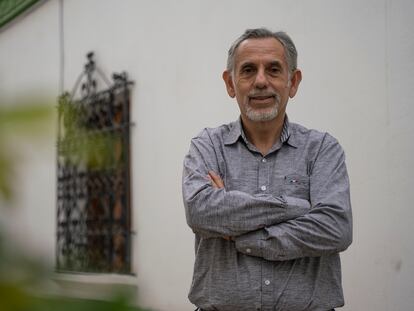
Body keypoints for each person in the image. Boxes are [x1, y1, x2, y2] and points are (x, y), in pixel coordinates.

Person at [182, 28, 352, 311]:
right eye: (248, 70)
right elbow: (200, 211)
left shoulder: (323, 149)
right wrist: (298, 207)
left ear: (293, 82)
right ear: (231, 83)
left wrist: (243, 232)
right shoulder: (207, 146)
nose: (261, 81)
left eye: (273, 69)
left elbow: (335, 228)